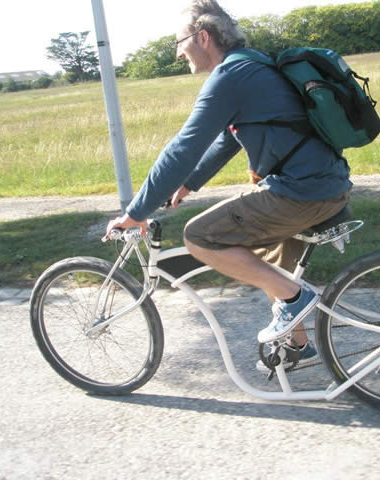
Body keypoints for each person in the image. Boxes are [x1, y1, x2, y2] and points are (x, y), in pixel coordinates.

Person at [105, 0, 352, 370]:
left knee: (201, 236)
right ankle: (297, 346)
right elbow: (229, 137)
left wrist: (136, 212)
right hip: (325, 184)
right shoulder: (252, 64)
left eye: (180, 41)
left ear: (202, 37)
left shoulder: (229, 77)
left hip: (302, 192)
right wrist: (188, 183)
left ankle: (296, 301)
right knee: (273, 258)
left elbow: (182, 148)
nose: (177, 52)